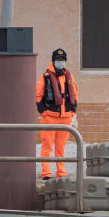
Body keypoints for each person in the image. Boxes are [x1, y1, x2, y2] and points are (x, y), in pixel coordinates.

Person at [35, 48, 79, 180]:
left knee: (61, 148)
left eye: (63, 60)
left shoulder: (69, 77)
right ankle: (46, 173)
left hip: (65, 118)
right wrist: (43, 111)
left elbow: (75, 94)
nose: (61, 63)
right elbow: (38, 95)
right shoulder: (45, 77)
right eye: (58, 60)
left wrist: (72, 111)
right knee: (47, 147)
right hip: (49, 117)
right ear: (53, 61)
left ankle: (61, 172)